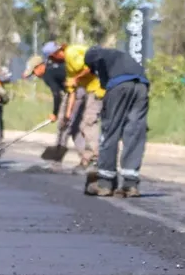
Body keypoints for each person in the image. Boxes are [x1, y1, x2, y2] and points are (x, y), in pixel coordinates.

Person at [74, 46, 150, 198]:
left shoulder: (94, 54)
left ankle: (105, 183)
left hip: (120, 86)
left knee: (110, 132)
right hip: (141, 86)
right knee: (134, 133)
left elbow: (102, 79)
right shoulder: (118, 55)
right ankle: (130, 184)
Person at [37, 42, 105, 168]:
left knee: (88, 123)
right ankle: (87, 159)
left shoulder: (71, 53)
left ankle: (96, 159)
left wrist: (76, 78)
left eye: (51, 58)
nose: (52, 61)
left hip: (98, 88)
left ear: (54, 54)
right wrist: (68, 114)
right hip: (89, 90)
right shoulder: (68, 67)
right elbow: (71, 91)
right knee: (80, 125)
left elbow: (88, 67)